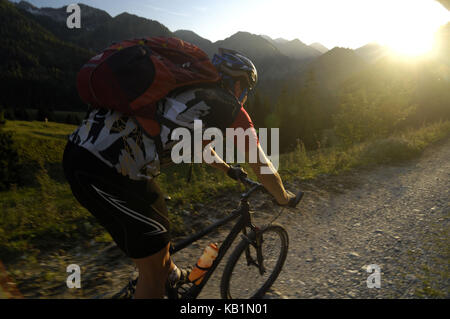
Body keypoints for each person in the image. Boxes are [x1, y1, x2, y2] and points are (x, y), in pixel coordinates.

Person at [63, 47, 296, 299]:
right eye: (247, 90)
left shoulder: (181, 91)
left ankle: (168, 274)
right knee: (153, 274)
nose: (246, 96)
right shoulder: (230, 107)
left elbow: (201, 149)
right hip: (113, 171)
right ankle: (157, 279)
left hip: (77, 154)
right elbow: (263, 167)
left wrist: (229, 170)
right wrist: (284, 198)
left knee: (157, 241)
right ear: (239, 85)